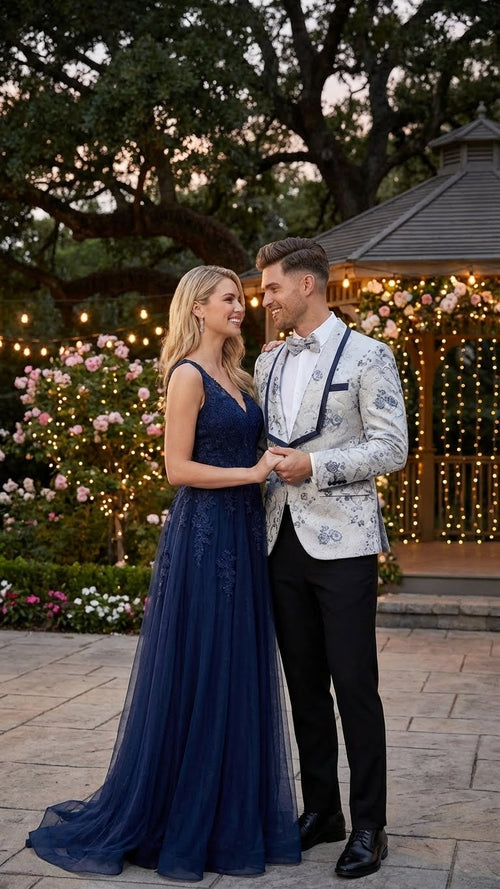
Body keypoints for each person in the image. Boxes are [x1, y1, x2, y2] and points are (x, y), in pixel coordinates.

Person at [27, 265, 301, 881]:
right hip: (204, 535)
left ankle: (235, 816)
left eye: (242, 298)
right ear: (198, 307)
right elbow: (177, 469)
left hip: (241, 532)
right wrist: (251, 474)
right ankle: (183, 821)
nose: (242, 306)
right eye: (230, 299)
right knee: (202, 669)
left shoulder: (241, 374)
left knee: (237, 669)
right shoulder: (187, 376)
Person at [253, 238, 408, 879]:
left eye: (272, 288)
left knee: (354, 685)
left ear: (308, 285)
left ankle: (370, 824)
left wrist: (316, 465)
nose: (266, 299)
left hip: (343, 543)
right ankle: (323, 810)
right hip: (277, 538)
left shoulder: (371, 355)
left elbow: (392, 447)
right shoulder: (264, 364)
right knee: (304, 686)